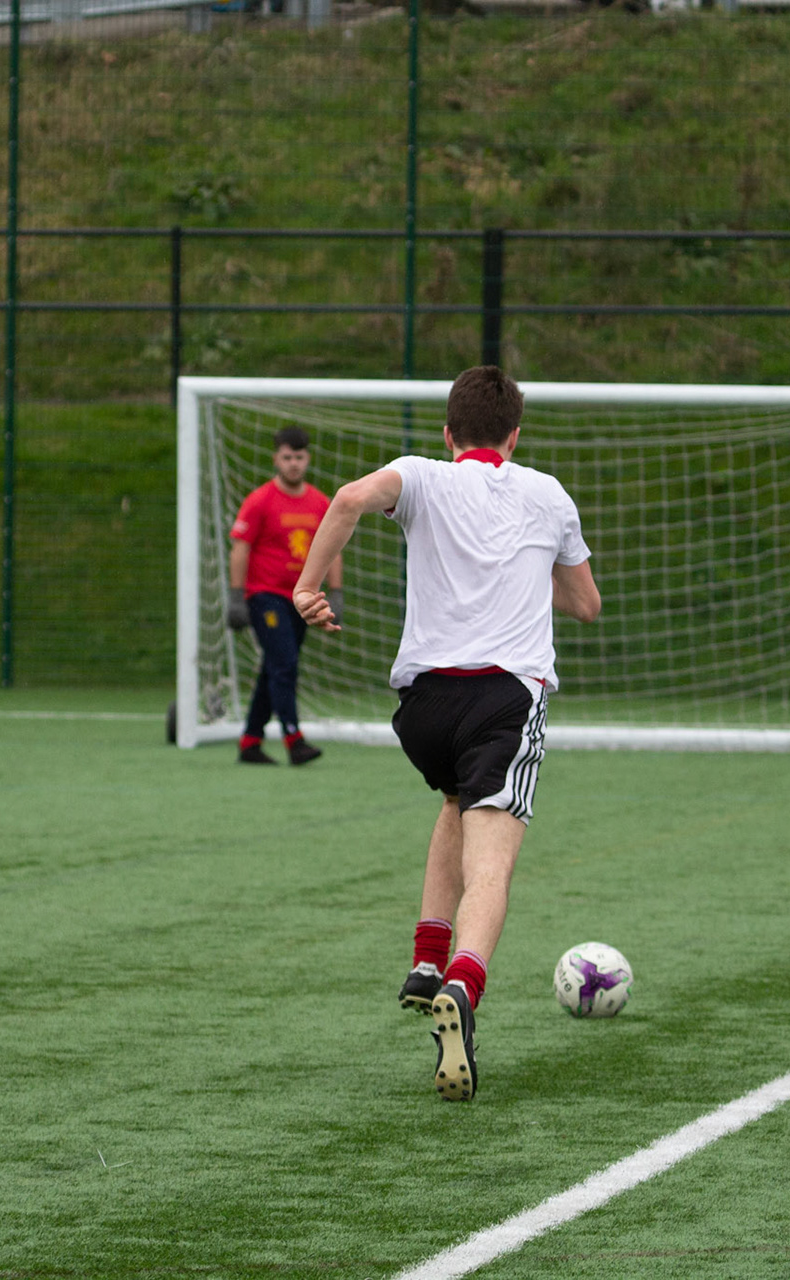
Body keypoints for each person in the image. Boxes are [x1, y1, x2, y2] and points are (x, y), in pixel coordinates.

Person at [293, 366, 599, 1102]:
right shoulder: (548, 494)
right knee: (492, 858)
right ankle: (463, 988)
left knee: (456, 802)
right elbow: (586, 606)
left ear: (448, 434)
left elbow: (346, 500)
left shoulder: (418, 475)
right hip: (502, 697)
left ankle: (428, 958)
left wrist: (307, 588)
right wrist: (548, 561)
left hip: (424, 705)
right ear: (516, 435)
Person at [226, 425, 341, 766]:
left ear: (308, 459)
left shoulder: (320, 502)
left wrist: (336, 593)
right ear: (276, 458)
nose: (293, 464)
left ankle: (250, 741)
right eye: (287, 457)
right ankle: (294, 739)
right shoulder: (259, 501)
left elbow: (334, 549)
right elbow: (240, 548)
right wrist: (236, 597)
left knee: (274, 667)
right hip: (266, 597)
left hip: (301, 600)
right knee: (285, 664)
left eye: (300, 457)